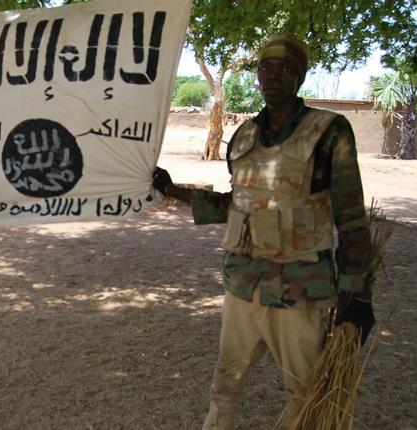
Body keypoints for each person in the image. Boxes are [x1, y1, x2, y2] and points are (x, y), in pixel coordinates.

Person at [152, 34, 376, 429]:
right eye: (266, 68)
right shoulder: (243, 137)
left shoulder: (330, 131)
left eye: (286, 68)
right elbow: (236, 204)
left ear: (300, 77)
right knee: (225, 383)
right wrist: (173, 190)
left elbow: (351, 217)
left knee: (307, 394)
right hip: (242, 286)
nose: (274, 76)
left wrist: (357, 293)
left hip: (299, 291)